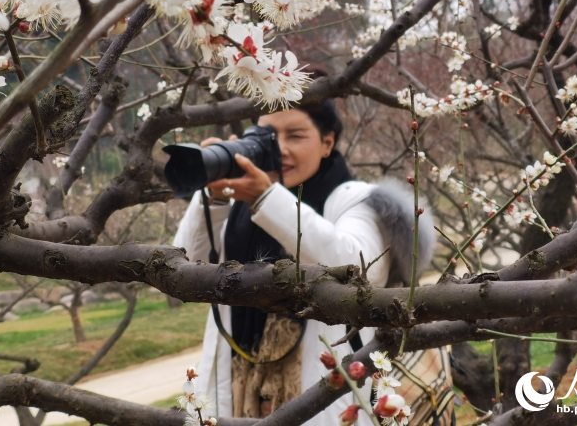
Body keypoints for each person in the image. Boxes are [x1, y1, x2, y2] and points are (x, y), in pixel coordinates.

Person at [173, 99, 434, 426]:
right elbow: (181, 270)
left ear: (328, 142)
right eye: (267, 135)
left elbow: (355, 269)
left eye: (295, 136)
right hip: (239, 385)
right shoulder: (238, 202)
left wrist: (267, 197)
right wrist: (215, 196)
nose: (279, 148)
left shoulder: (355, 199)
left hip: (321, 391)